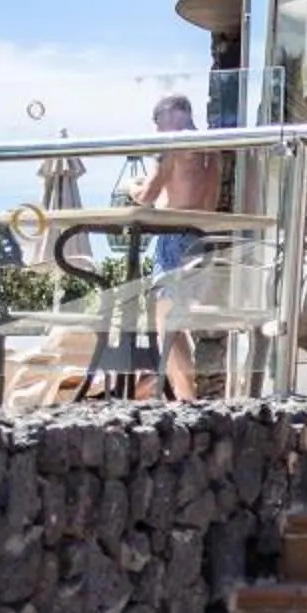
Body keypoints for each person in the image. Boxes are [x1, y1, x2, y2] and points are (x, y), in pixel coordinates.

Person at [134, 94, 219, 398]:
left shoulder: (171, 144)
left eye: (157, 122)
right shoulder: (211, 146)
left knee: (167, 321)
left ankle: (186, 399)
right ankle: (186, 394)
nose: (156, 131)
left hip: (174, 234)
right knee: (177, 320)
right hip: (202, 236)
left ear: (168, 116)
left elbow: (148, 194)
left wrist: (133, 188)